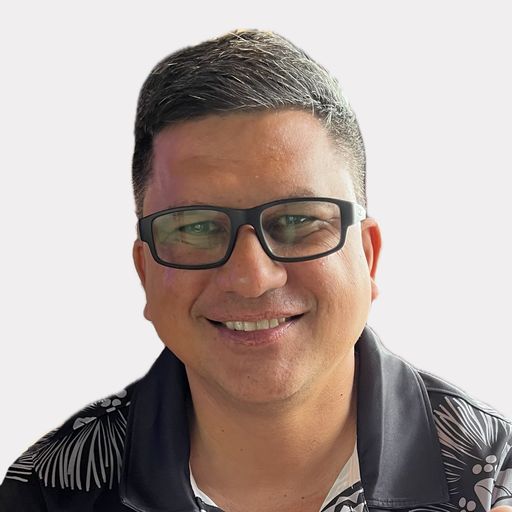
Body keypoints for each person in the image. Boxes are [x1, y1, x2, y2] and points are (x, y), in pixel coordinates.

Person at [0, 28, 511, 512]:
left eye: (298, 221)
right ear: (144, 272)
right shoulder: (46, 492)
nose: (252, 277)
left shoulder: (494, 479)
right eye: (197, 228)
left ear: (368, 254)